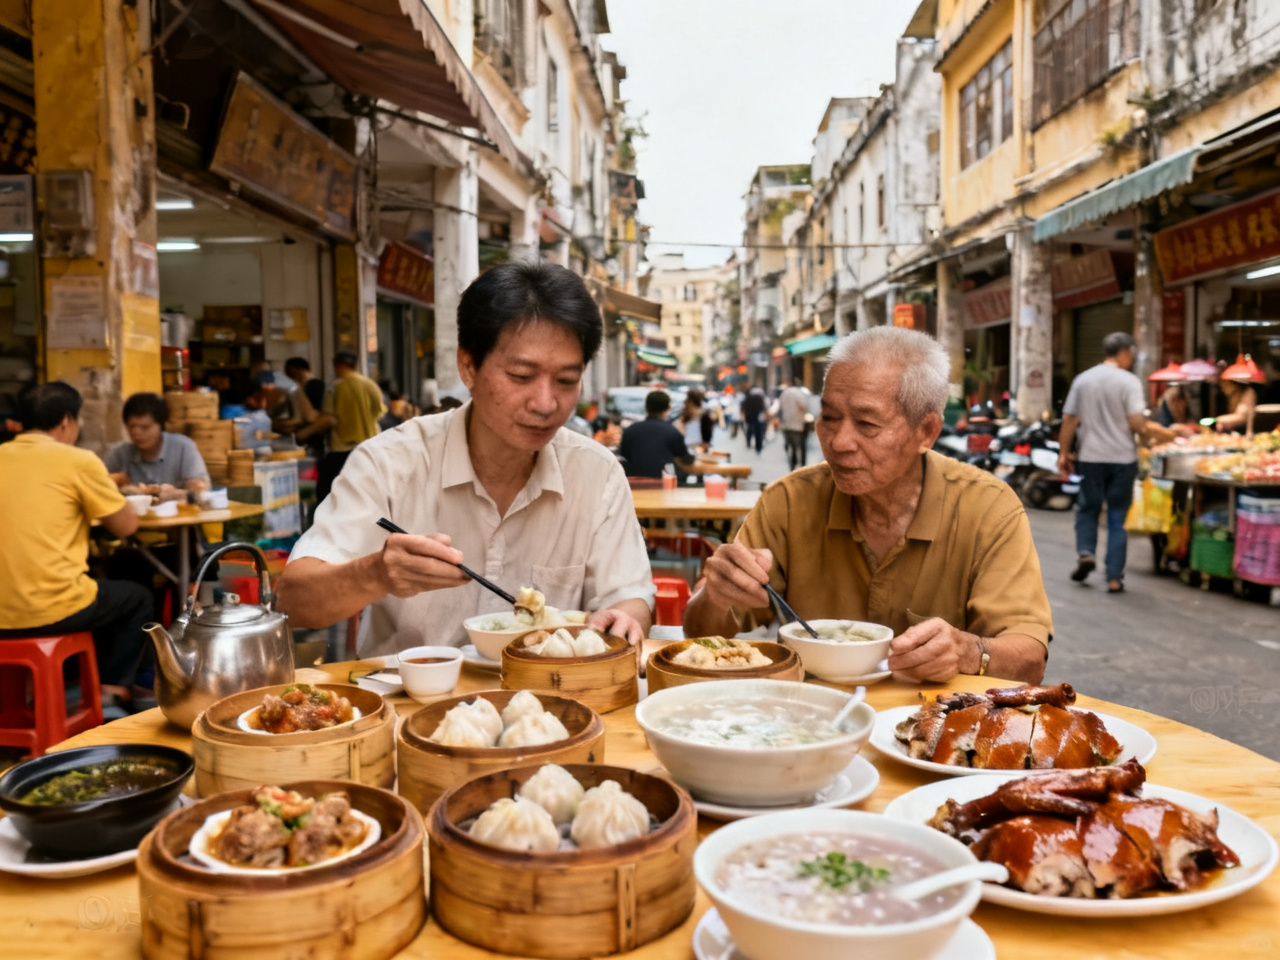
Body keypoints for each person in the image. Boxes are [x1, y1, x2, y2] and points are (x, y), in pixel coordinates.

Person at [274, 261, 655, 656]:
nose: (546, 404)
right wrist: (375, 573)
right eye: (521, 376)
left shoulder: (596, 473)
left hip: (555, 705)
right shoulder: (388, 463)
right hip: (407, 707)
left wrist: (623, 617)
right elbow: (293, 601)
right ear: (468, 366)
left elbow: (629, 597)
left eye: (566, 381)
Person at [683, 326, 1053, 685]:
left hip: (931, 733)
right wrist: (715, 595)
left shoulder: (986, 508)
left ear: (926, 431)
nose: (839, 442)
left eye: (866, 423)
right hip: (809, 722)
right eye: (828, 417)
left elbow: (1030, 660)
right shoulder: (790, 502)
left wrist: (968, 651)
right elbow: (699, 635)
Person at [0, 382, 152, 705]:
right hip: (49, 608)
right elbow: (126, 525)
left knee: (100, 589)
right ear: (68, 421)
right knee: (136, 599)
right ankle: (111, 692)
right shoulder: (77, 460)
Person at [1057, 332, 1178, 594]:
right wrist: (1162, 434)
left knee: (1088, 509)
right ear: (1124, 353)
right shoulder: (1129, 382)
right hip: (1122, 459)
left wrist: (1063, 453)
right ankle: (1114, 578)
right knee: (1116, 517)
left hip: (1091, 457)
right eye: (1131, 355)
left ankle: (1086, 552)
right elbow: (1136, 423)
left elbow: (1069, 420)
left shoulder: (1083, 379)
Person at [104, 392, 210, 500]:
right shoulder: (118, 454)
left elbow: (201, 490)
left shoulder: (184, 447)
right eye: (132, 427)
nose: (137, 433)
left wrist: (176, 494)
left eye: (145, 427)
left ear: (161, 426)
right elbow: (101, 488)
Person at [312, 351, 386, 505]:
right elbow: (379, 412)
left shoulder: (336, 386)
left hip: (341, 450)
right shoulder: (370, 385)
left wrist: (304, 432)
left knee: (332, 498)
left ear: (339, 365)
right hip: (369, 448)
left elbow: (329, 419)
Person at [618, 391, 693, 479]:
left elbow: (624, 455)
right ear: (668, 409)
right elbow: (686, 460)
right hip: (663, 483)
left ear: (646, 407)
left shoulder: (629, 431)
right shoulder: (672, 431)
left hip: (635, 484)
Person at [778, 380, 812, 471]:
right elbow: (804, 406)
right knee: (801, 447)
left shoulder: (784, 394)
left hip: (787, 425)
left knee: (791, 447)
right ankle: (803, 467)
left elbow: (780, 407)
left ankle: (792, 467)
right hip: (798, 425)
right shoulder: (799, 394)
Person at [741, 385, 766, 454]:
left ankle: (749, 443)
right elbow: (763, 408)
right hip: (757, 418)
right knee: (758, 432)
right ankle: (758, 446)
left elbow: (743, 407)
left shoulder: (748, 398)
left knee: (750, 430)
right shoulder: (759, 399)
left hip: (750, 418)